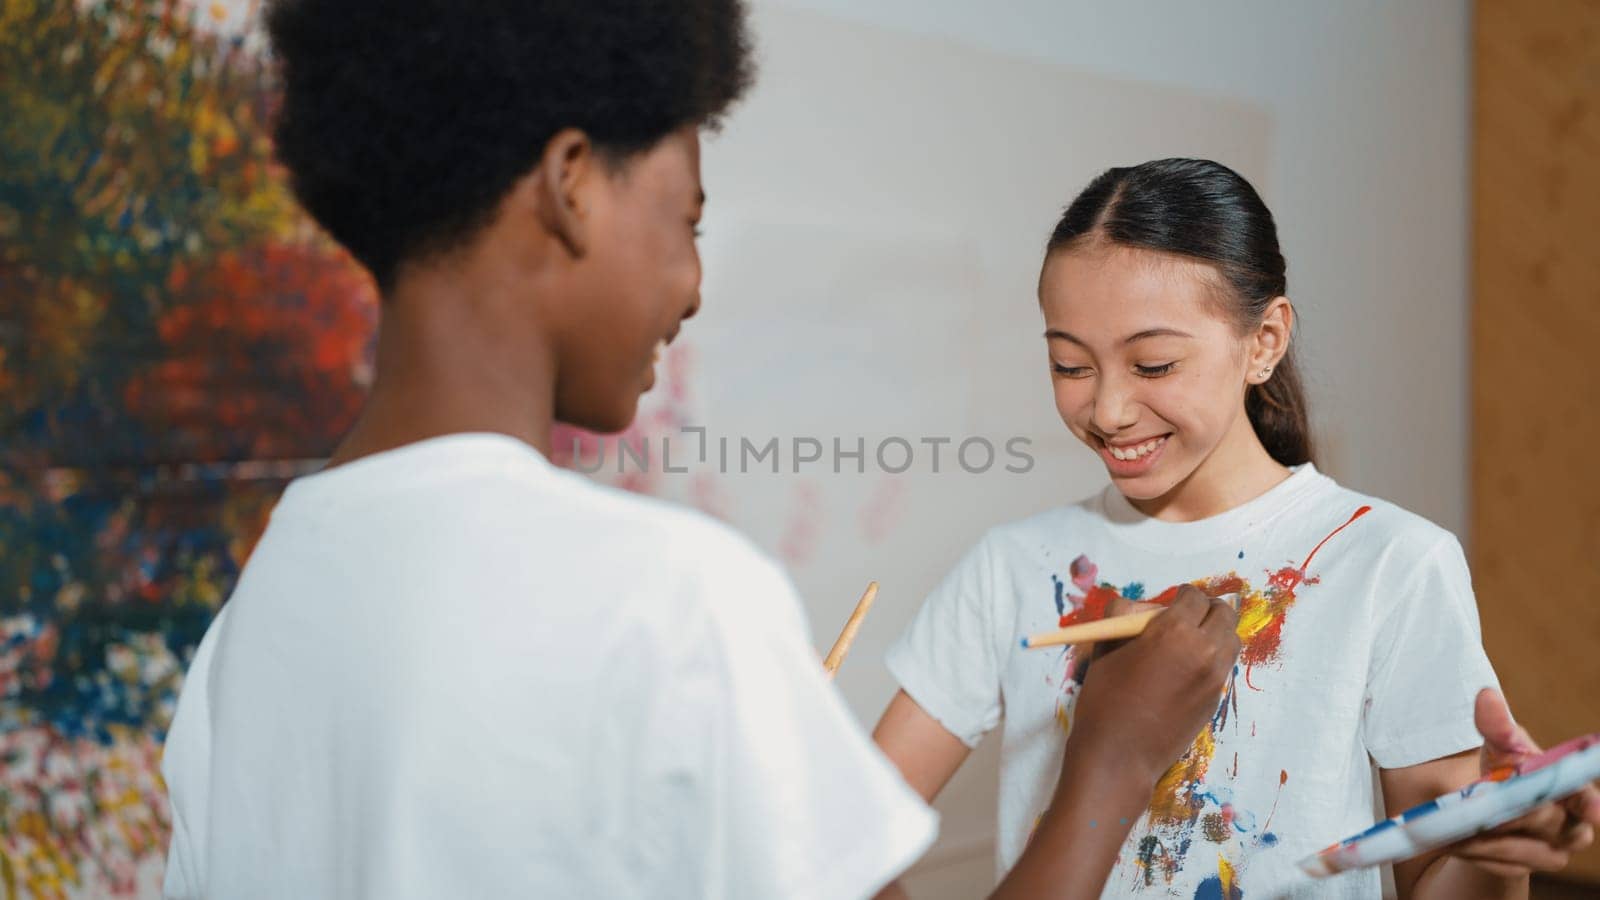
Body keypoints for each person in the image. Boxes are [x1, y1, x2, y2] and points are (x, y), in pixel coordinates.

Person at [159, 5, 1244, 898]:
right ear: (570, 184)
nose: (691, 286)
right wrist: (1111, 758)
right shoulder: (665, 598)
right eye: (686, 220)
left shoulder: (252, 623)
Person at [873, 158, 1600, 898]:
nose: (1108, 410)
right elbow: (838, 839)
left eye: (1153, 365)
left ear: (1265, 340)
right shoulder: (1012, 567)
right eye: (1070, 364)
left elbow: (1436, 878)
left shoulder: (1391, 563)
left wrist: (1495, 851)